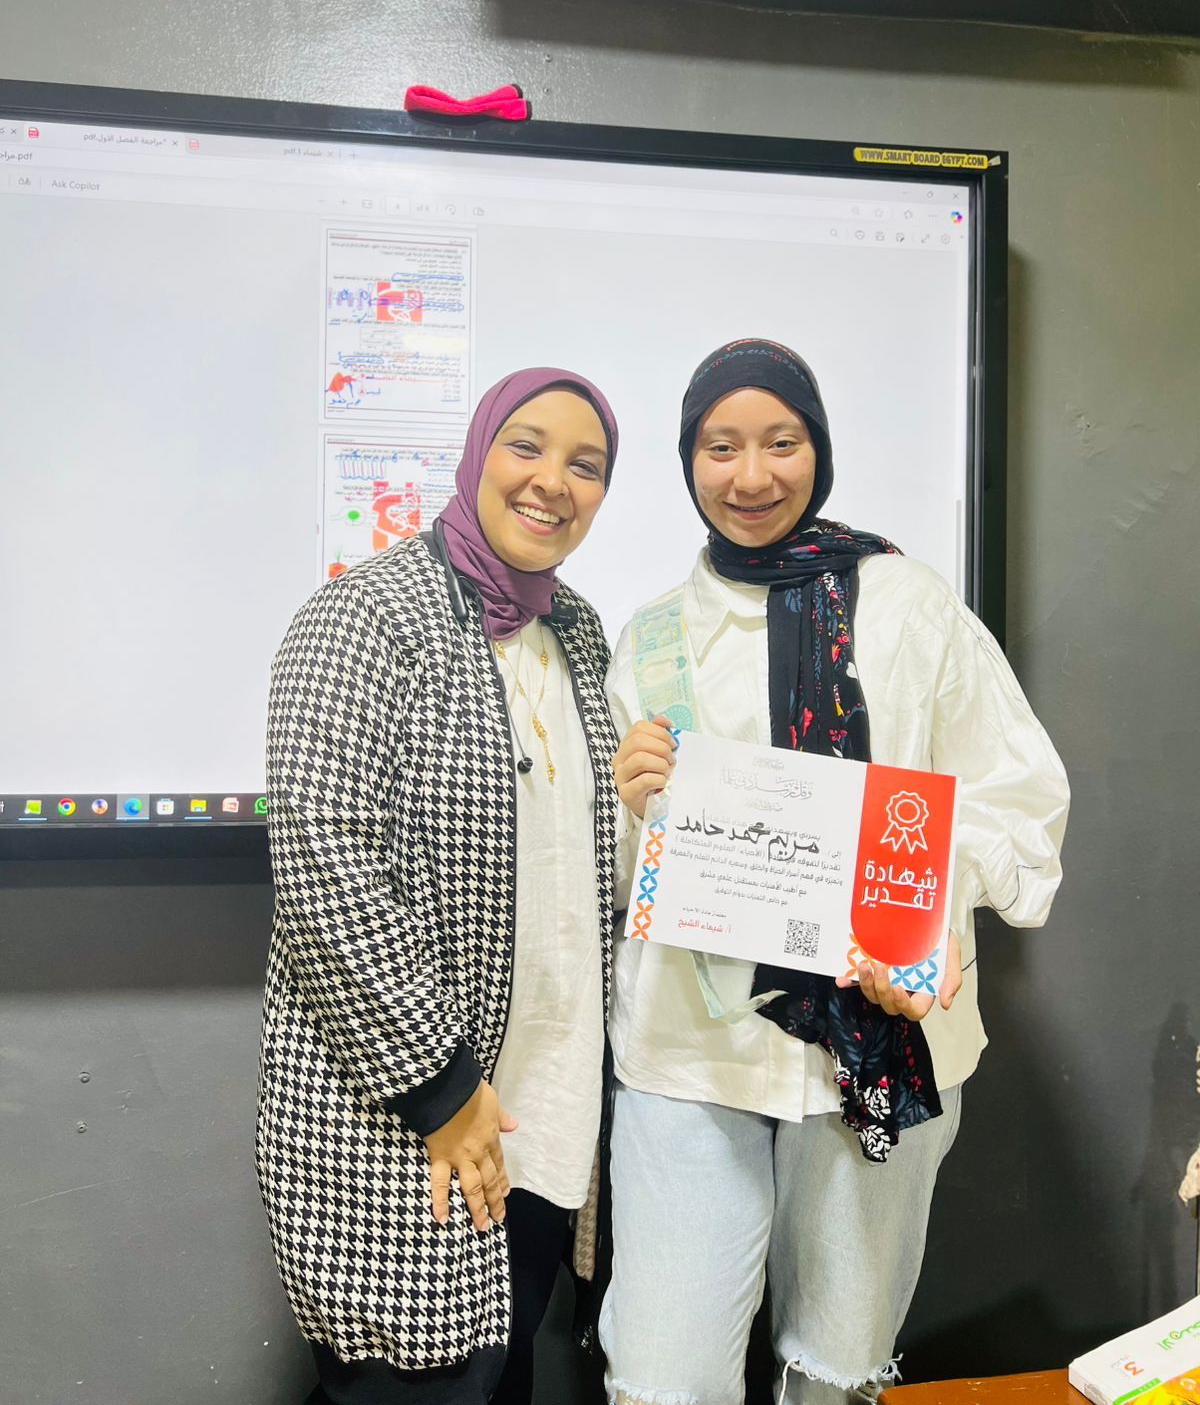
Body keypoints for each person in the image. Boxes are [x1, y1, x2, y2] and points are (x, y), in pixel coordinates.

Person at [601, 338, 1070, 1405]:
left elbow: (1015, 800)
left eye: (781, 441)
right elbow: (634, 879)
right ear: (689, 461)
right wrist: (634, 803)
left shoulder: (908, 604)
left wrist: (928, 928)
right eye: (721, 446)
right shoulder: (655, 637)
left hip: (882, 1036)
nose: (751, 474)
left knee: (838, 1369)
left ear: (818, 447)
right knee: (666, 1380)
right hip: (694, 1048)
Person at [256, 367, 621, 1405]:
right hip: (406, 1128)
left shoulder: (581, 633)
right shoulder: (361, 619)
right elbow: (328, 872)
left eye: (586, 464)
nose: (554, 480)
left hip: (541, 1123)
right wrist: (445, 1092)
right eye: (528, 446)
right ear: (476, 458)